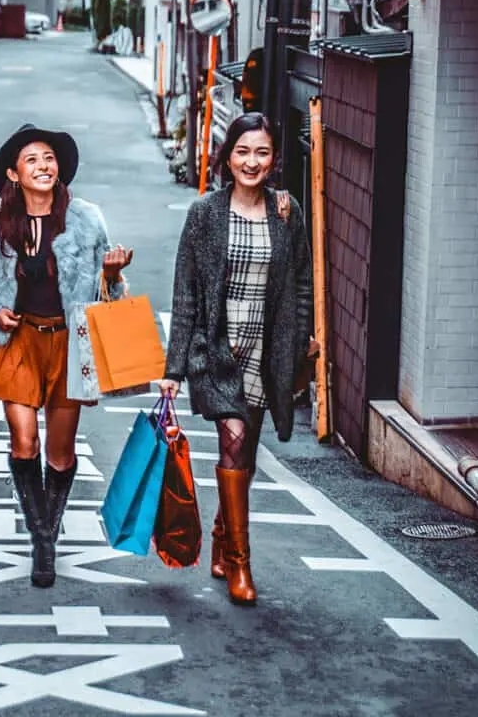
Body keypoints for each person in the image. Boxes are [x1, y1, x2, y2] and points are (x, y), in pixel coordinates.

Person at [159, 112, 313, 606]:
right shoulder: (205, 213)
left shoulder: (288, 212)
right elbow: (185, 292)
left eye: (262, 152)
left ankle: (225, 536)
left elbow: (301, 284)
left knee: (244, 456)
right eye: (243, 152)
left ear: (274, 159)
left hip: (266, 354)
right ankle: (241, 565)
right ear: (228, 157)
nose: (252, 161)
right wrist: (173, 370)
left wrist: (300, 342)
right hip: (217, 353)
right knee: (233, 438)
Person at [0, 123, 133, 588]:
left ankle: (46, 528)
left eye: (49, 158)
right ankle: (44, 540)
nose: (43, 166)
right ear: (13, 173)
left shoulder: (86, 219)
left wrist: (113, 272)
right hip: (19, 339)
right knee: (24, 443)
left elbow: (109, 297)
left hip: (70, 342)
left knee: (60, 455)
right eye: (32, 160)